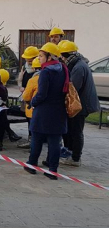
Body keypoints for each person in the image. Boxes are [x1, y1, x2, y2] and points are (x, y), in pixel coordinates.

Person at [23, 42, 69, 180]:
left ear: (49, 57)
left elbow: (42, 94)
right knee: (55, 141)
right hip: (59, 110)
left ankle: (32, 164)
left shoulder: (45, 72)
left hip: (43, 111)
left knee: (36, 138)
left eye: (42, 55)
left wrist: (32, 103)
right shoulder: (63, 69)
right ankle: (52, 170)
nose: (40, 58)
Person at [58, 40, 100, 167]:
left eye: (61, 56)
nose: (61, 59)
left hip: (81, 106)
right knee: (71, 129)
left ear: (65, 55)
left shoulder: (78, 67)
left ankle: (75, 158)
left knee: (76, 131)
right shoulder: (78, 63)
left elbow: (72, 88)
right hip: (81, 104)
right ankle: (70, 152)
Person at [17, 46, 39, 149]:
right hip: (26, 97)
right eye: (27, 59)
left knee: (34, 120)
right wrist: (21, 86)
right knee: (29, 119)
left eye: (30, 60)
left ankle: (34, 141)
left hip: (34, 98)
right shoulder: (24, 67)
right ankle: (32, 139)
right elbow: (20, 80)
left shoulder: (38, 69)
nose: (29, 62)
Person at [0, 69, 11, 152]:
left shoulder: (2, 88)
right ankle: (8, 135)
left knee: (2, 117)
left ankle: (0, 141)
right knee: (3, 119)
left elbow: (4, 99)